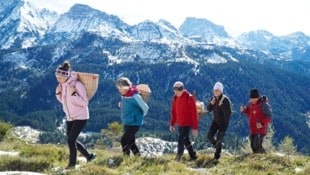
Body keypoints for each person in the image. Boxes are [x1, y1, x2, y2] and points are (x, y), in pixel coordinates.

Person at [55, 61, 96, 169]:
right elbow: (64, 101)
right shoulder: (63, 85)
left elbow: (84, 102)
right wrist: (58, 93)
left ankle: (72, 165)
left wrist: (73, 94)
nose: (58, 79)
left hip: (81, 116)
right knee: (71, 139)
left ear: (66, 75)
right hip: (70, 116)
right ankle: (89, 157)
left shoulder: (77, 84)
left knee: (71, 140)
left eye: (59, 77)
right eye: (57, 77)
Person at [116, 77, 149, 156]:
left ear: (126, 87)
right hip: (127, 121)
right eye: (118, 89)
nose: (119, 90)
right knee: (131, 142)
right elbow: (130, 105)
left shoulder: (135, 96)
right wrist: (122, 105)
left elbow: (146, 108)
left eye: (120, 88)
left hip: (134, 123)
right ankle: (137, 157)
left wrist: (139, 116)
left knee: (124, 140)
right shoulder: (124, 95)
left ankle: (126, 159)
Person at [170, 81, 198, 161]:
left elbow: (194, 114)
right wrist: (172, 124)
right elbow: (174, 111)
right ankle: (193, 155)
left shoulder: (189, 97)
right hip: (180, 123)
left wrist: (195, 128)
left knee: (180, 139)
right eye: (175, 89)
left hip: (187, 124)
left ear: (183, 89)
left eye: (179, 89)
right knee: (186, 140)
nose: (177, 91)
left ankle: (179, 156)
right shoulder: (175, 98)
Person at [240, 88, 272, 154]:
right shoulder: (250, 104)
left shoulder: (264, 105)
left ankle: (265, 157)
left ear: (257, 98)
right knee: (253, 146)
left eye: (253, 99)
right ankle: (258, 159)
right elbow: (249, 112)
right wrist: (244, 110)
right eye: (250, 98)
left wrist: (262, 123)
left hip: (260, 130)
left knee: (256, 145)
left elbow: (269, 117)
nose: (251, 100)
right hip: (253, 129)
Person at [206, 82, 232, 162]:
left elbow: (229, 113)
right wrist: (211, 103)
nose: (215, 92)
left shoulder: (225, 99)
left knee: (219, 138)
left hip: (223, 122)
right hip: (215, 121)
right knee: (209, 136)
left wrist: (221, 106)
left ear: (221, 91)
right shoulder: (213, 98)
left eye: (217, 90)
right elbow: (208, 110)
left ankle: (217, 157)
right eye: (214, 90)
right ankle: (218, 145)